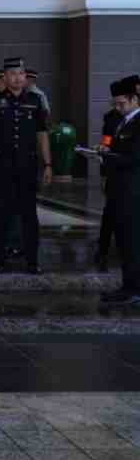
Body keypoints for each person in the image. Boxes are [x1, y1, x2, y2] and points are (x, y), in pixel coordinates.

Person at [0, 57, 52, 274]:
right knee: (0, 214)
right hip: (0, 166)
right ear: (5, 77)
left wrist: (48, 164)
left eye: (21, 74)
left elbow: (42, 134)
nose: (17, 78)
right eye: (13, 74)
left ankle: (32, 261)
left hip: (27, 167)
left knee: (29, 215)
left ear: (25, 77)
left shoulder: (35, 101)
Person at [98, 77, 140, 305]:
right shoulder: (120, 121)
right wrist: (103, 152)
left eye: (121, 103)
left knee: (133, 242)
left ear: (134, 99)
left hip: (133, 192)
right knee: (124, 242)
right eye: (115, 103)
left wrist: (109, 157)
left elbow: (134, 157)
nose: (117, 108)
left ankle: (134, 289)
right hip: (119, 189)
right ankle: (128, 285)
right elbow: (113, 145)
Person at [96, 98, 123, 271]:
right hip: (115, 170)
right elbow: (106, 139)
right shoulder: (111, 117)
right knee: (110, 212)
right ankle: (103, 249)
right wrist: (103, 171)